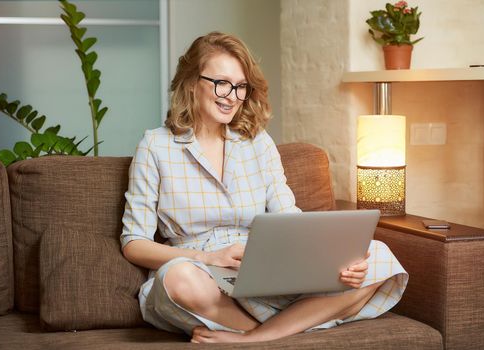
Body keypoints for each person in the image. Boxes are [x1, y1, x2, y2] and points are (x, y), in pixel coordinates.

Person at [120, 31, 408, 344]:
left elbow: (289, 218)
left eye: (240, 86)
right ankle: (292, 326)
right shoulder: (156, 146)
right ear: (191, 82)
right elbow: (134, 243)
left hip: (265, 269)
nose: (231, 95)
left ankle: (254, 338)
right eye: (221, 82)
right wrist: (210, 258)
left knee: (378, 255)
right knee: (179, 278)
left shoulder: (257, 142)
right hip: (200, 274)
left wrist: (341, 260)